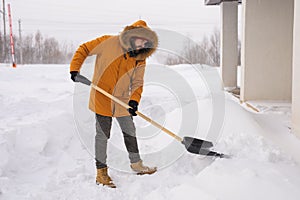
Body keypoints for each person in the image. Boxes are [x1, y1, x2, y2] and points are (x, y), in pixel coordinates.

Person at [69, 20, 158, 188]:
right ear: (133, 36)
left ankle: (136, 164)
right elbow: (84, 49)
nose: (143, 45)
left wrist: (134, 100)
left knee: (129, 130)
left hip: (122, 100)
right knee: (103, 135)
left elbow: (138, 82)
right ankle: (101, 173)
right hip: (102, 98)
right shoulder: (108, 42)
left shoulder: (140, 58)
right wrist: (75, 69)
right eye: (141, 40)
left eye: (147, 42)